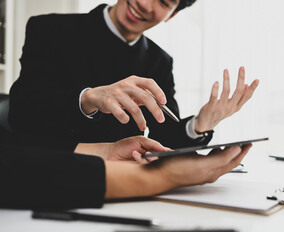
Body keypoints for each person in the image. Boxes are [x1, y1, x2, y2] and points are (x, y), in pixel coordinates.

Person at [9, 0, 259, 148]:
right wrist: (88, 99)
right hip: (50, 173)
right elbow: (23, 112)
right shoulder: (49, 29)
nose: (145, 4)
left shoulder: (159, 61)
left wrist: (199, 125)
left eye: (164, 2)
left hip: (128, 185)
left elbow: (164, 136)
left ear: (172, 15)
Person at [0, 125, 252, 209]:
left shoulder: (159, 59)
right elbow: (16, 170)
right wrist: (161, 177)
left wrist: (104, 151)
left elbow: (11, 145)